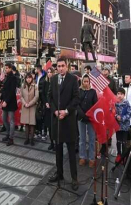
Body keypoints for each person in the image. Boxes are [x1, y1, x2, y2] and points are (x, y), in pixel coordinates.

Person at [47, 57, 80, 191]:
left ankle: (74, 178)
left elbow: (76, 98)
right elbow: (50, 96)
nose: (60, 68)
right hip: (57, 120)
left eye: (62, 66)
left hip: (68, 120)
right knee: (58, 151)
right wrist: (55, 111)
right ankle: (59, 174)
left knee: (71, 153)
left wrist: (66, 111)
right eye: (58, 66)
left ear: (67, 66)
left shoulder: (73, 80)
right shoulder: (53, 79)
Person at [77, 75, 98, 167]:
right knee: (82, 138)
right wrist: (82, 114)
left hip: (90, 118)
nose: (86, 83)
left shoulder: (93, 92)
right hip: (81, 117)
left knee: (92, 138)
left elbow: (95, 105)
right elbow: (76, 104)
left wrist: (89, 114)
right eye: (84, 81)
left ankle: (91, 158)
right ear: (82, 82)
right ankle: (82, 156)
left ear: (89, 82)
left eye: (87, 81)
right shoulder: (79, 91)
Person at [0, 63, 18, 146]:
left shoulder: (13, 78)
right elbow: (3, 89)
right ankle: (8, 133)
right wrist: (1, 99)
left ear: (10, 69)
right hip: (4, 102)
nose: (6, 69)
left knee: (11, 121)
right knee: (4, 119)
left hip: (10, 103)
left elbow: (12, 91)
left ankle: (11, 138)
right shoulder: (5, 77)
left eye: (7, 68)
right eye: (5, 68)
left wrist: (6, 101)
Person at [21, 73, 39, 146]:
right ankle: (26, 139)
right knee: (26, 124)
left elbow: (36, 97)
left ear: (32, 78)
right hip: (25, 106)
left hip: (32, 106)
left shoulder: (35, 86)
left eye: (30, 78)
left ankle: (32, 139)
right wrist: (25, 103)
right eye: (27, 78)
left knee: (32, 124)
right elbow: (21, 96)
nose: (28, 79)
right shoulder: (23, 86)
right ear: (25, 79)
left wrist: (30, 103)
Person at [115, 88, 131, 163]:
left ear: (124, 95)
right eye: (118, 93)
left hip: (125, 126)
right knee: (118, 140)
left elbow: (129, 114)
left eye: (121, 94)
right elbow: (113, 112)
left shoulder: (126, 103)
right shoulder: (115, 102)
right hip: (117, 126)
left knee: (124, 141)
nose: (119, 95)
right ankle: (119, 154)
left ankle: (124, 156)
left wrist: (122, 118)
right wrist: (116, 116)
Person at [41, 67, 54, 150]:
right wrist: (46, 102)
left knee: (54, 126)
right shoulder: (45, 83)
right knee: (49, 126)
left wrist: (51, 104)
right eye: (48, 72)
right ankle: (52, 143)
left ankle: (56, 143)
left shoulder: (55, 82)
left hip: (53, 107)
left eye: (50, 72)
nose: (49, 73)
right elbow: (43, 94)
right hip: (47, 107)